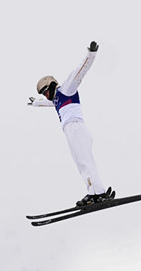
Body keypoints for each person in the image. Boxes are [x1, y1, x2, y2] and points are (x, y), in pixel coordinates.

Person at [28, 41, 114, 207]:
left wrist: (91, 54)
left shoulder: (67, 88)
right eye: (44, 94)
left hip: (76, 127)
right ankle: (96, 192)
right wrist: (35, 103)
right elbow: (48, 103)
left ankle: (97, 193)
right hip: (70, 130)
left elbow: (79, 72)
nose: (46, 96)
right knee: (81, 162)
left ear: (52, 85)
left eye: (46, 92)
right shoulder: (56, 99)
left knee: (84, 161)